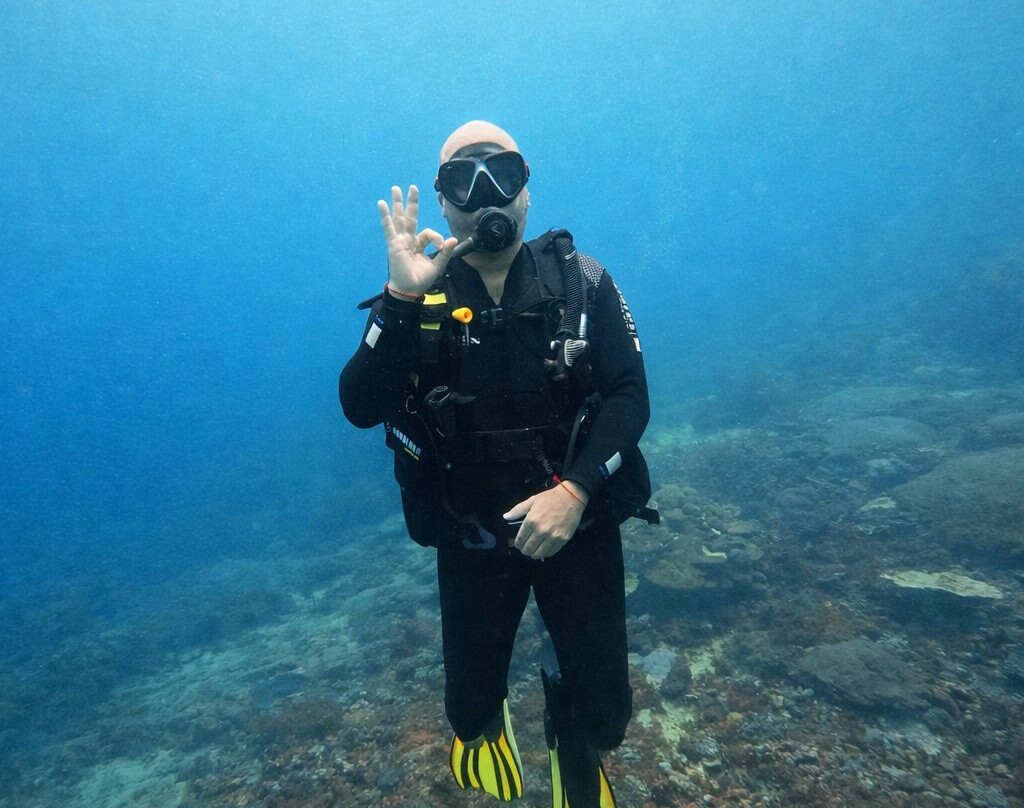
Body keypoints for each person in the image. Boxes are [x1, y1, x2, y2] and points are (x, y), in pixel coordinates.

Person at [339, 120, 654, 808]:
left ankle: (569, 724)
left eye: (502, 175)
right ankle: (490, 720)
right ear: (445, 205)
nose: (486, 196)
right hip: (474, 533)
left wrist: (573, 491)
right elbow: (360, 405)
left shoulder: (584, 280)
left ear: (527, 194)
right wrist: (397, 300)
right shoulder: (418, 296)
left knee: (608, 718)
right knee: (468, 712)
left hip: (579, 525)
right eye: (463, 180)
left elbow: (630, 398)